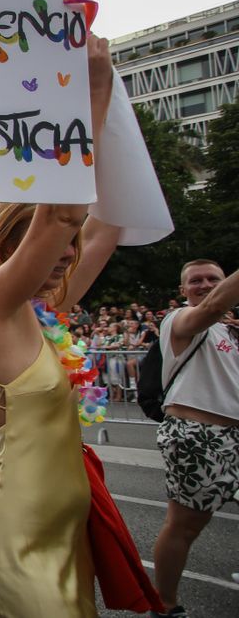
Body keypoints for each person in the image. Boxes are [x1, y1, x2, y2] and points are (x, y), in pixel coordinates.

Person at [0, 35, 134, 617]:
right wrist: (91, 92)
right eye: (57, 244)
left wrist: (112, 120)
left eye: (72, 246)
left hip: (65, 534)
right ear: (9, 245)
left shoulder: (46, 314)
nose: (68, 254)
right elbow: (61, 214)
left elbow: (106, 229)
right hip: (13, 535)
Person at [150, 260, 239, 618]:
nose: (204, 285)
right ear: (183, 290)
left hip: (234, 436)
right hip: (199, 437)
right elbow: (213, 306)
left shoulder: (229, 331)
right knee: (185, 526)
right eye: (195, 281)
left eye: (213, 279)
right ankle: (165, 604)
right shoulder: (179, 320)